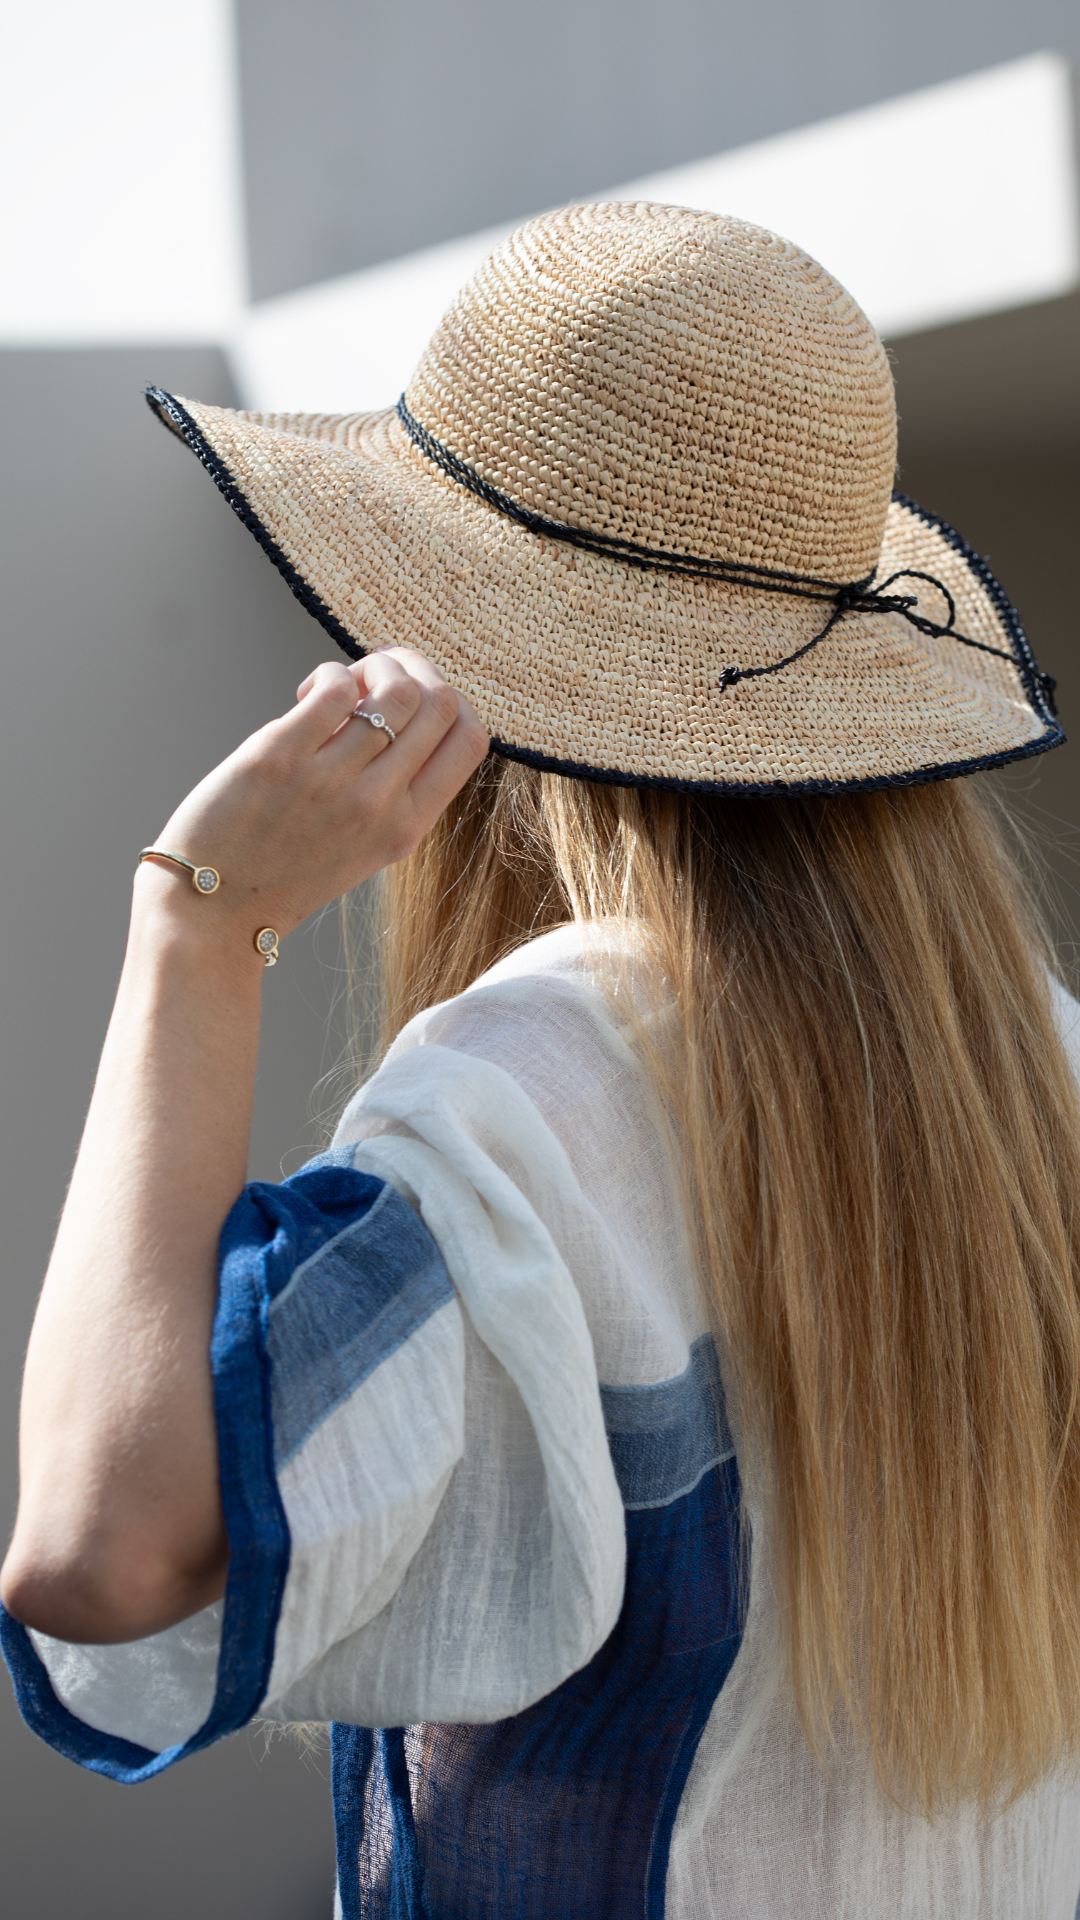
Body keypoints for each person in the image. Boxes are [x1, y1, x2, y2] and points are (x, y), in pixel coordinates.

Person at [2, 203, 1079, 1920]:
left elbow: (101, 1557)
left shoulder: (538, 1095)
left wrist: (196, 930)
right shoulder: (1034, 1061)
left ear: (456, 668)